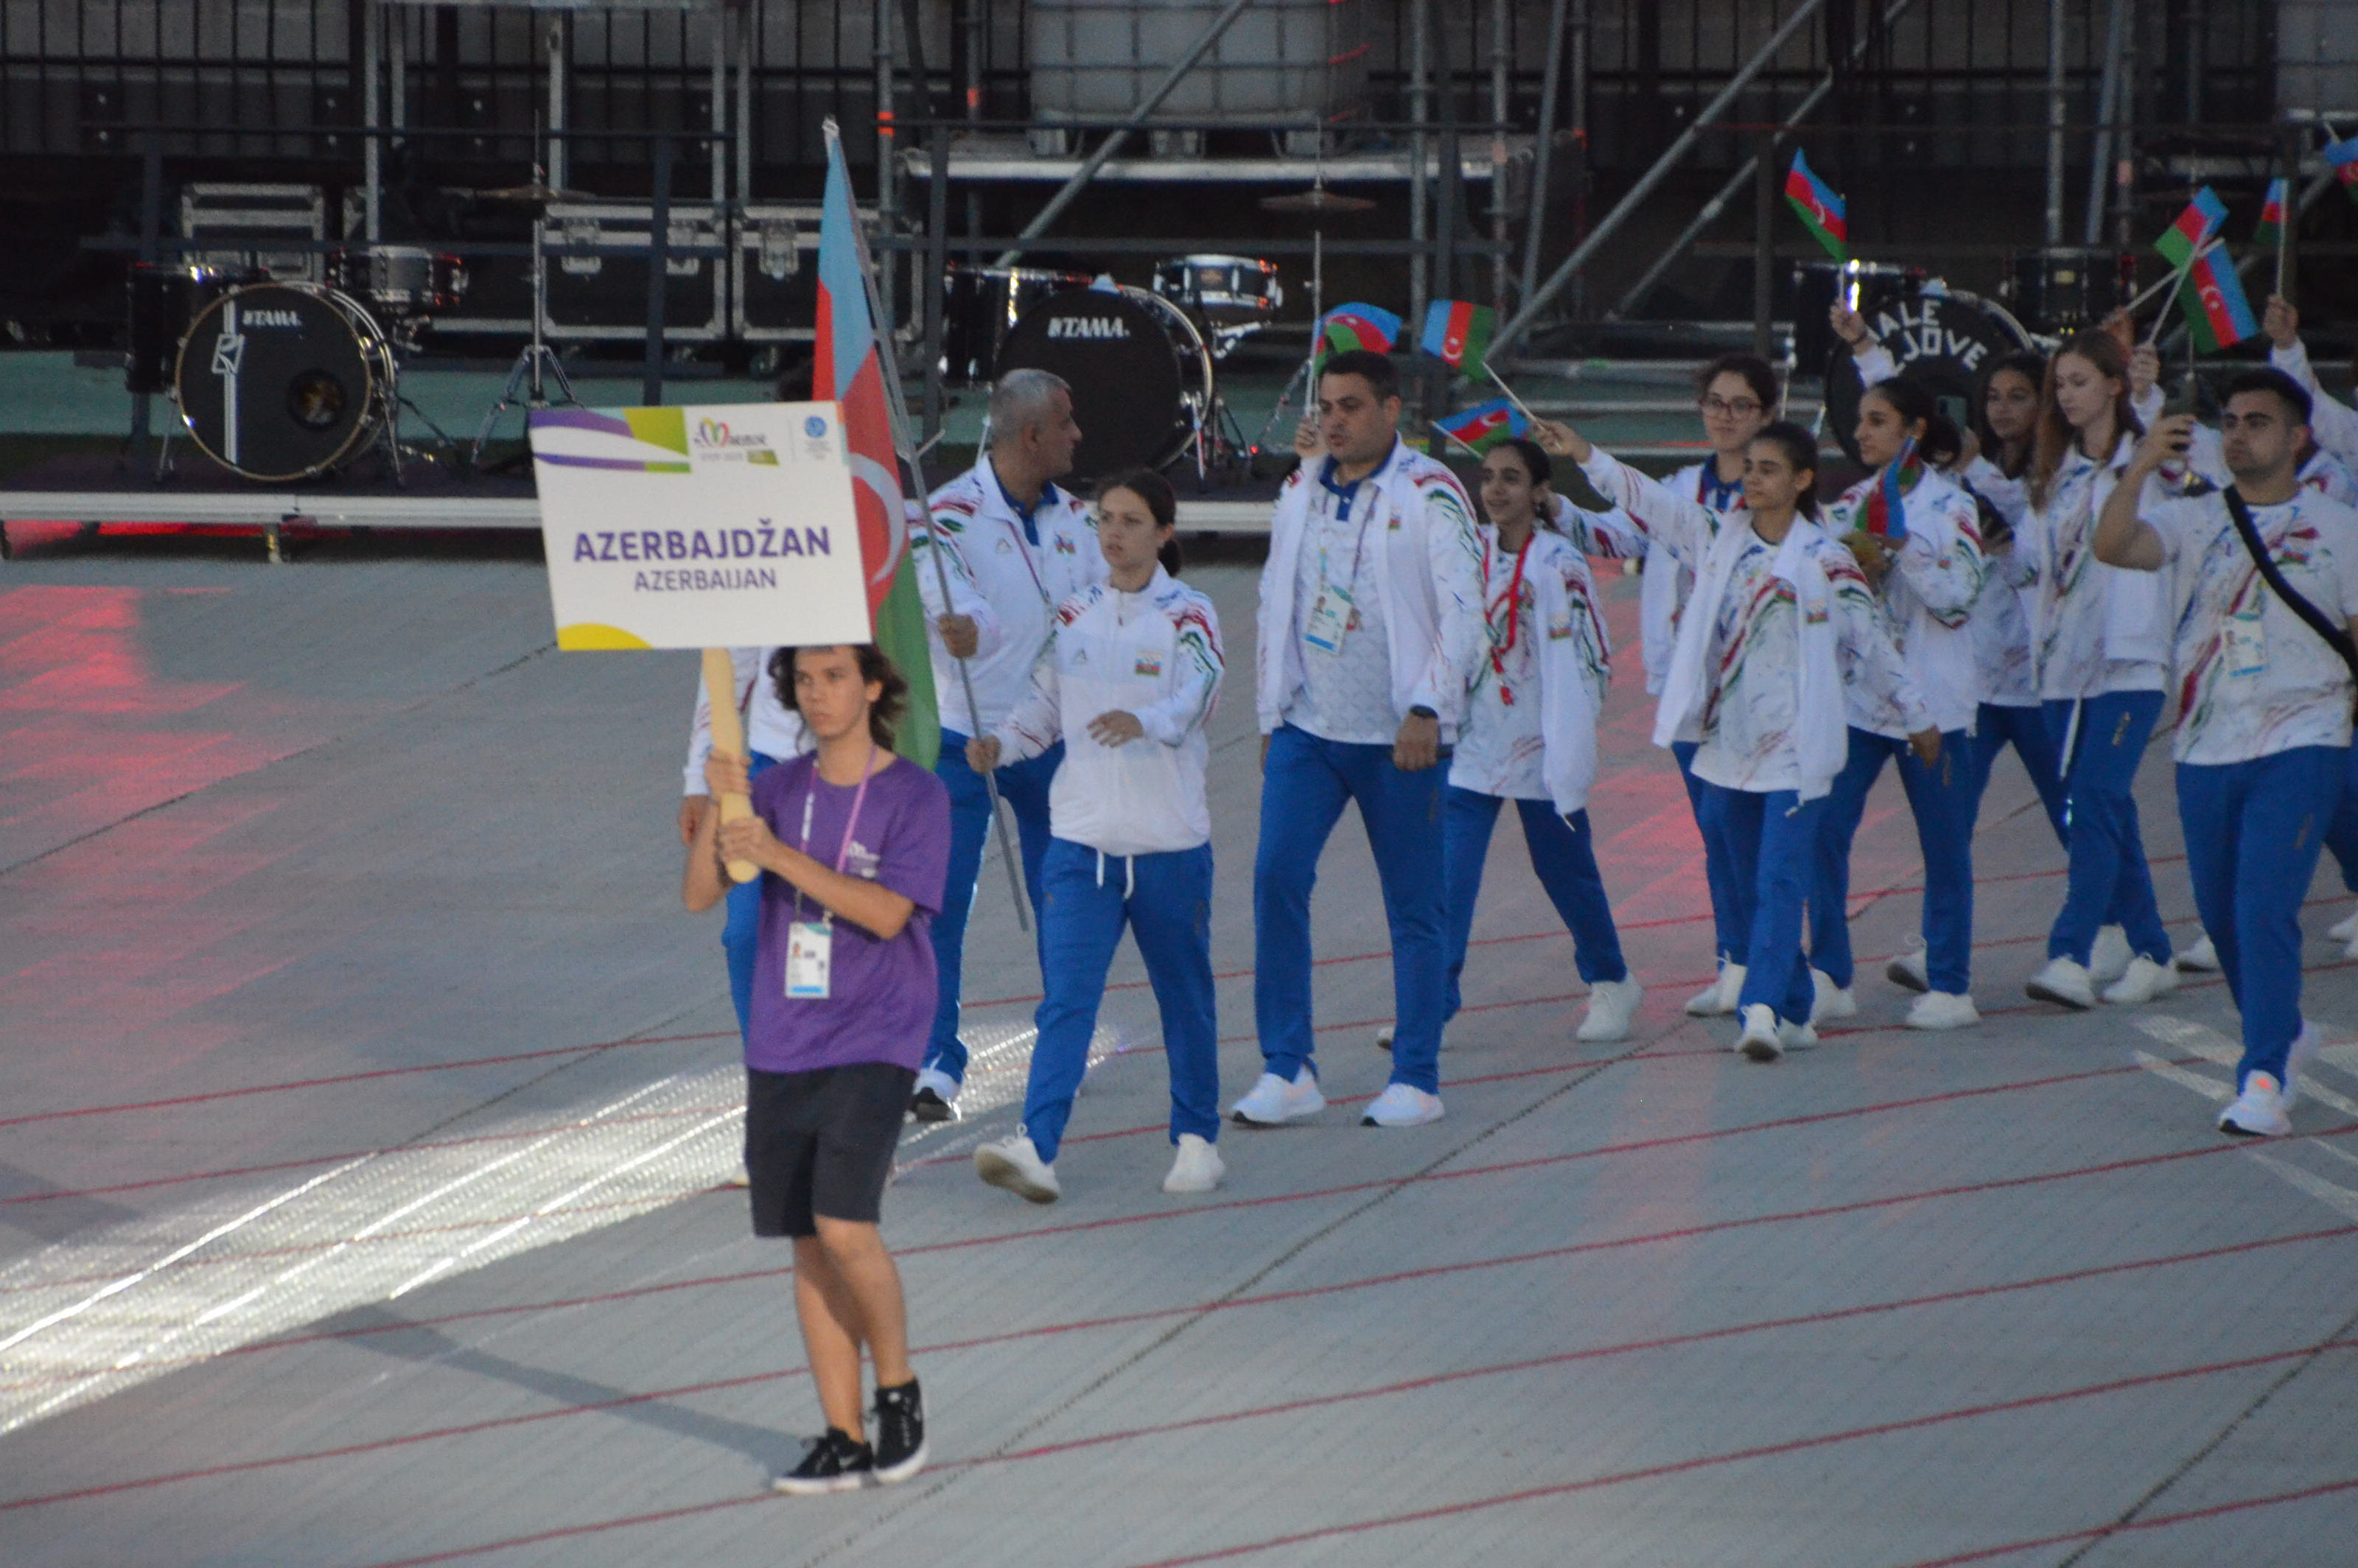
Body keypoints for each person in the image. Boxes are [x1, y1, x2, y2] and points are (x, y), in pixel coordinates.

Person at [1547, 416, 1931, 1061]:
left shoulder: (1826, 559)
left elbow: (1872, 643)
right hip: (1725, 749)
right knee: (1749, 877)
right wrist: (1586, 454)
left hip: (1796, 752)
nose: (1752, 479)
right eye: (1749, 468)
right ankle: (1798, 1009)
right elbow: (1649, 501)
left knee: (1781, 879)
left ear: (1804, 480)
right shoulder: (1714, 537)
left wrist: (1918, 717)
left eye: (1769, 469)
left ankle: (1761, 1012)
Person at [682, 644, 948, 1495]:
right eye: (803, 680)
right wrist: (719, 799)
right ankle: (839, 1433)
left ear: (872, 685)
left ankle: (897, 1392)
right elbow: (699, 894)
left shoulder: (914, 794)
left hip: (876, 1033)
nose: (819, 694)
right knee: (805, 1240)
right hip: (785, 1036)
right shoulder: (775, 788)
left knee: (844, 1223)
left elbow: (883, 910)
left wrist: (781, 856)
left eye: (836, 676)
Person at [2092, 369, 2358, 1137]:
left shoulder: (2337, 526)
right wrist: (2140, 464)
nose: (2238, 433)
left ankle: (2263, 1077)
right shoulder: (2191, 520)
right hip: (2206, 738)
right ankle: (2284, 1033)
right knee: (2219, 914)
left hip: (2303, 737)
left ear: (2295, 437)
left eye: (2257, 421)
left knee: (2261, 904)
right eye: (2230, 421)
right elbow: (2113, 544)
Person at [1238, 348, 1486, 1129]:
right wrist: (1269, 713)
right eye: (1327, 406)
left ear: (1391, 411)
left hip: (1398, 739)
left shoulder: (1431, 493)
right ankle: (1288, 1068)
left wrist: (1427, 709)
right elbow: (1274, 595)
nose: (1334, 420)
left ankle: (1416, 1075)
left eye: (1350, 406)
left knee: (1414, 905)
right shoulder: (1300, 488)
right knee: (1275, 879)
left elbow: (1465, 611)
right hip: (1309, 729)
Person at [964, 470, 1228, 1200]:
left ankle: (1197, 1140)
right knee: (1066, 1000)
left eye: (1132, 521)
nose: (1113, 533)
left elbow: (1200, 691)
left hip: (1168, 847)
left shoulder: (1189, 613)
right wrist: (1002, 745)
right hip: (1081, 845)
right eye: (1106, 519)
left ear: (1163, 533)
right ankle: (1036, 1146)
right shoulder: (1073, 613)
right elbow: (1040, 706)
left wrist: (1148, 722)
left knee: (1184, 996)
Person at [909, 368, 1106, 1121]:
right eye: (1066, 422)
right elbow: (945, 591)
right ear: (1031, 436)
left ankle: (1062, 1041)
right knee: (938, 902)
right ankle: (934, 1061)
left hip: (1052, 741)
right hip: (961, 740)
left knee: (1068, 899)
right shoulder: (945, 512)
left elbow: (1102, 600)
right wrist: (963, 626)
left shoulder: (1083, 521)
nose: (1077, 434)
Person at [1807, 329, 1990, 1029]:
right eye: (1858, 423)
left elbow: (1958, 599)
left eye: (1877, 421)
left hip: (1936, 706)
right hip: (1861, 702)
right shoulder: (1848, 504)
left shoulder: (1954, 509)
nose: (1863, 433)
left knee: (1944, 846)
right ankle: (1828, 972)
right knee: (1824, 832)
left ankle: (1950, 984)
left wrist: (1900, 551)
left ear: (1915, 430)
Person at [1438, 437, 1646, 1045]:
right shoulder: (1468, 553)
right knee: (1447, 877)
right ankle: (1430, 999)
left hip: (1542, 747)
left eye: (1511, 478)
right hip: (1474, 746)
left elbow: (1594, 657)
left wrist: (1571, 735)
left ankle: (1612, 981)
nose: (1496, 490)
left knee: (1567, 874)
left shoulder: (1561, 563)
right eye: (1488, 477)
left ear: (1538, 492)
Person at [2019, 326, 2180, 1009]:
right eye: (2061, 384)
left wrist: (2148, 421)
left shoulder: (2155, 469)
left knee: (2095, 800)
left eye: (2081, 381)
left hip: (2129, 663)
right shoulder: (2056, 473)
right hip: (2063, 668)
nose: (2068, 395)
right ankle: (2151, 948)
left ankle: (2071, 952)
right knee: (2103, 808)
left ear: (2115, 383)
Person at [1658, 354, 1783, 1016]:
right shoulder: (1679, 488)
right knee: (1717, 834)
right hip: (1691, 693)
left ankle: (1797, 971)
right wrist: (1556, 503)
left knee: (1757, 841)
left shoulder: (1778, 492)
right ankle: (1735, 963)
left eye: (1740, 405)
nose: (1725, 417)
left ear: (1765, 415)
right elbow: (1622, 529)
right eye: (1714, 402)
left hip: (1757, 697)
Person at [679, 648, 810, 1041]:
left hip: (844, 773)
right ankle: (771, 1068)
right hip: (767, 770)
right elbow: (727, 666)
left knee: (812, 936)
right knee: (746, 933)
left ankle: (818, 1071)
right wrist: (698, 780)